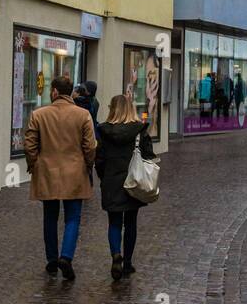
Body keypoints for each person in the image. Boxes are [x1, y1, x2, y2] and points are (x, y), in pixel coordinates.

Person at [23, 74, 96, 281]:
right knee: (73, 217)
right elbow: (90, 147)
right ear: (70, 91)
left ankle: (52, 260)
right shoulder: (83, 115)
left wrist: (34, 164)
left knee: (50, 217)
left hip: (47, 172)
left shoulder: (39, 114)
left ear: (54, 91)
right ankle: (66, 256)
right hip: (75, 172)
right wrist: (88, 166)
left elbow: (29, 145)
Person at [95, 93, 156, 280]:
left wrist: (103, 177)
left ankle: (116, 255)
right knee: (130, 222)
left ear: (112, 110)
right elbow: (148, 156)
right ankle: (128, 263)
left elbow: (100, 159)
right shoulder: (139, 131)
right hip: (134, 181)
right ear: (130, 108)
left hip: (112, 181)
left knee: (114, 222)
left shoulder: (104, 132)